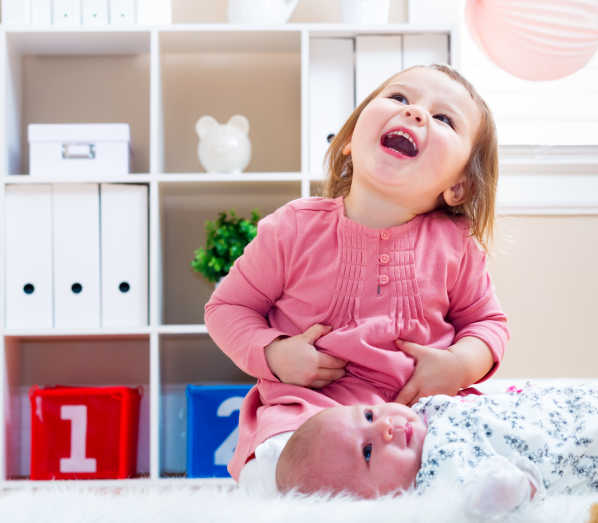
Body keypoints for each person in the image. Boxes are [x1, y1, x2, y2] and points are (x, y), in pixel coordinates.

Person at [204, 63, 509, 491]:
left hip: (419, 414)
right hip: (308, 408)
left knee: (492, 435)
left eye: (443, 119)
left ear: (458, 186)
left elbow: (487, 325)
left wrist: (459, 366)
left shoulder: (455, 244)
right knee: (280, 461)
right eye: (400, 98)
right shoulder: (293, 228)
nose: (416, 113)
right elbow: (227, 308)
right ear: (349, 141)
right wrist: (275, 354)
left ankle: (466, 490)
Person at [275, 383, 598, 518]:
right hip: (589, 445)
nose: (384, 427)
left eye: (368, 415)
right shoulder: (439, 474)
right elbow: (496, 493)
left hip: (572, 404)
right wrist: (509, 489)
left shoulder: (427, 410)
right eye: (367, 451)